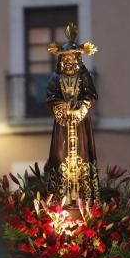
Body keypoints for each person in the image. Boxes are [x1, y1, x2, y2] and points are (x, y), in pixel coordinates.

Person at [45, 23, 99, 204]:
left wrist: (82, 106)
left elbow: (91, 95)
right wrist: (62, 107)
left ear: (78, 59)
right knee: (60, 156)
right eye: (65, 59)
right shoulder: (55, 77)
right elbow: (50, 96)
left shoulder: (84, 77)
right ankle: (61, 195)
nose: (69, 62)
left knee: (82, 157)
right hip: (62, 125)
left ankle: (83, 197)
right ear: (61, 60)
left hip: (80, 124)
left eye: (72, 58)